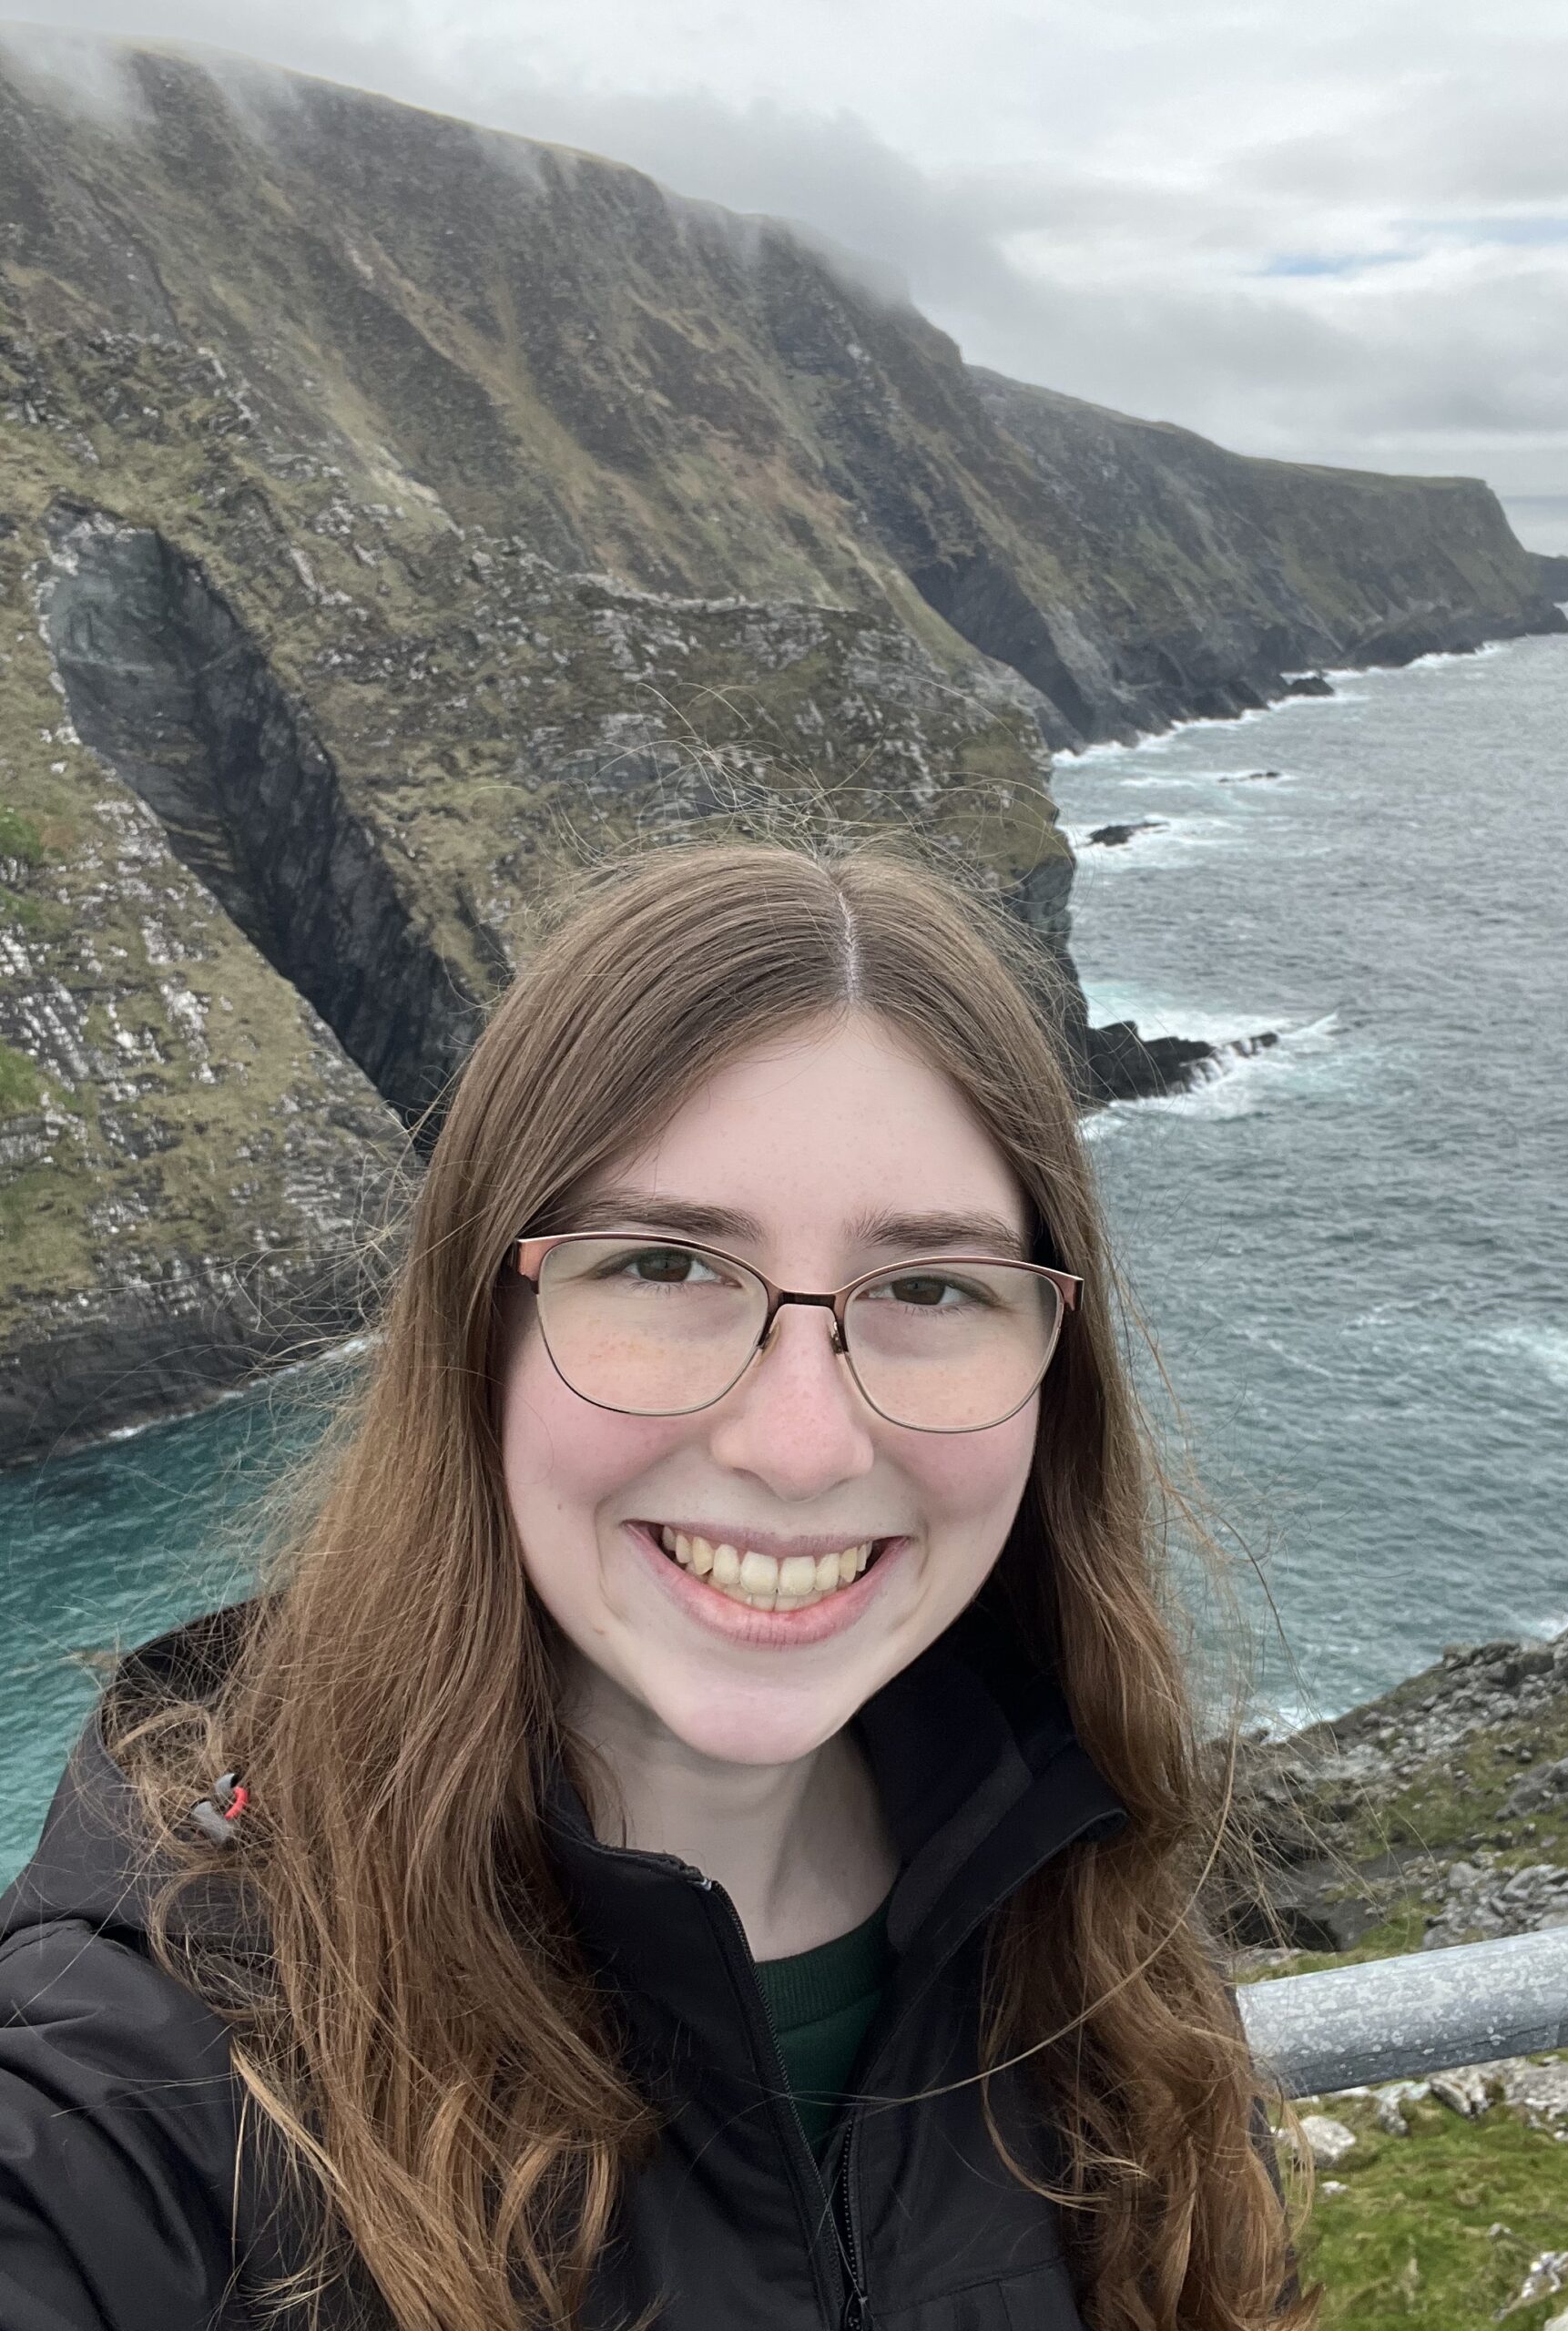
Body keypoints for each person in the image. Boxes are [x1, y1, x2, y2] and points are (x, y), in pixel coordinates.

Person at [0, 838, 1308, 2331]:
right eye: (664, 1267)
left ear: (1054, 1374)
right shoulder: (165, 2041)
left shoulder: (1093, 1923)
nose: (800, 1448)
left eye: (931, 1288)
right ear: (480, 1330)